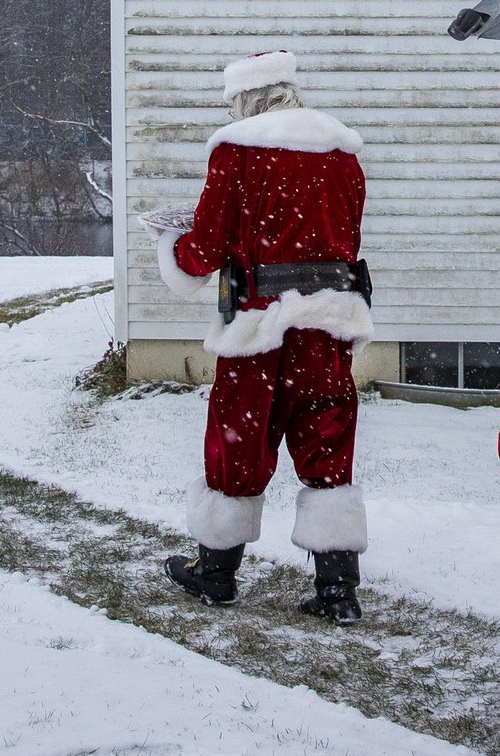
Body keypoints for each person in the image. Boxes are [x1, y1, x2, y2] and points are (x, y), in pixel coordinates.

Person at [149, 50, 374, 622]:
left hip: (260, 325)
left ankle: (216, 574)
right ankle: (336, 589)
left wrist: (171, 245)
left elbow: (206, 250)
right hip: (328, 321)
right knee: (327, 437)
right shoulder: (343, 153)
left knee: (238, 439)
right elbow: (341, 235)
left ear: (246, 97)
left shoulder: (237, 149)